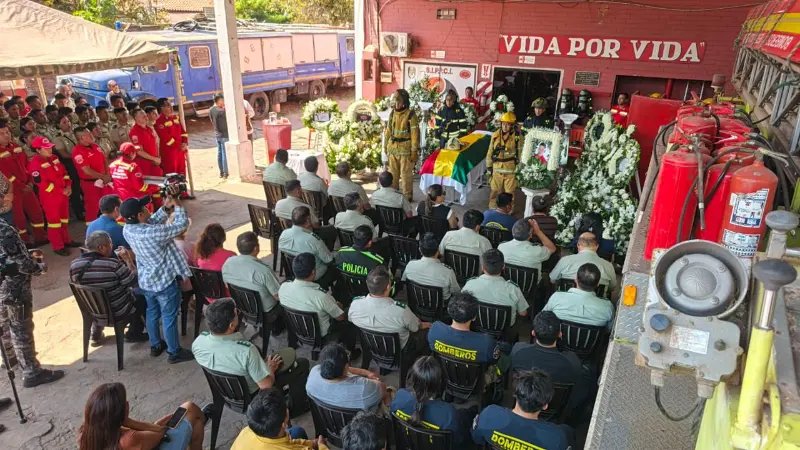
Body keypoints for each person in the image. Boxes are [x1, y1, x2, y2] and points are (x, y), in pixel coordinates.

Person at [121, 194, 194, 364]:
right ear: (139, 215)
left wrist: (166, 209)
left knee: (152, 312)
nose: (148, 209)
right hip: (164, 282)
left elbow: (150, 222)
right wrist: (178, 204)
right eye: (144, 208)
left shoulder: (128, 229)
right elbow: (180, 225)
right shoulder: (153, 233)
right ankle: (174, 352)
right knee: (169, 316)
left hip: (146, 280)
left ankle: (155, 345)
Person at [192, 298, 311, 400]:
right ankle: (297, 406)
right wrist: (270, 369)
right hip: (253, 394)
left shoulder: (198, 343)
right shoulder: (246, 351)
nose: (238, 314)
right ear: (231, 325)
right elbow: (266, 386)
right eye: (236, 312)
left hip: (226, 391)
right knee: (302, 364)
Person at [0, 206, 64, 387]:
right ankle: (31, 372)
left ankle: (10, 358)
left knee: (4, 323)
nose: (4, 200)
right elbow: (21, 264)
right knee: (20, 327)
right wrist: (39, 267)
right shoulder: (3, 229)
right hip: (15, 287)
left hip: (2, 285)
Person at [69, 231, 147, 345]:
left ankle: (96, 333)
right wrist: (128, 260)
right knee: (141, 296)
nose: (112, 247)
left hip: (92, 310)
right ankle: (134, 333)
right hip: (118, 312)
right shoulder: (113, 264)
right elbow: (133, 281)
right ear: (101, 247)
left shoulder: (74, 265)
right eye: (110, 244)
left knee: (96, 298)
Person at [78, 382, 207, 450]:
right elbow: (162, 433)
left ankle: (202, 418)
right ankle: (204, 416)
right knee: (190, 408)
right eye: (125, 403)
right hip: (152, 441)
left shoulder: (85, 433)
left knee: (197, 424)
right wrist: (130, 422)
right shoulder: (129, 439)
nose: (127, 403)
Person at [471, 370, 573, 450]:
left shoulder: (489, 415)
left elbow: (477, 439)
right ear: (545, 405)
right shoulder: (556, 438)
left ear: (515, 395)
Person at [511, 311, 590, 413]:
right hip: (554, 410)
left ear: (533, 333)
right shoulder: (572, 362)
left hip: (523, 404)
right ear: (560, 334)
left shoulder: (518, 350)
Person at [279, 253, 360, 353]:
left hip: (298, 330)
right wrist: (338, 306)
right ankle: (350, 352)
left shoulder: (283, 288)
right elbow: (340, 317)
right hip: (324, 336)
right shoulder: (321, 296)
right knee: (349, 317)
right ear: (313, 272)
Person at [348, 266, 430, 364]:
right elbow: (416, 327)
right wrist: (429, 325)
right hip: (399, 350)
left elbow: (351, 319)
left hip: (371, 346)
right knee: (427, 331)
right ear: (388, 287)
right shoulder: (401, 311)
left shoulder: (355, 305)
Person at [391, 356, 474, 445]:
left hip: (409, 444)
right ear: (439, 383)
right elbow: (458, 440)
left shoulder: (400, 396)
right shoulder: (448, 414)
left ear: (413, 379)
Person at [27, 136, 78, 256]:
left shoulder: (55, 158)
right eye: (46, 148)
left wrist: (68, 186)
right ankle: (58, 246)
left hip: (63, 194)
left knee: (64, 220)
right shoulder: (35, 163)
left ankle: (66, 240)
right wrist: (61, 190)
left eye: (49, 147)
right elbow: (41, 184)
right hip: (50, 198)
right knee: (54, 223)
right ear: (38, 150)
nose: (49, 150)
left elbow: (65, 173)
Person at [231, 388, 325, 450]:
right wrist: (321, 445)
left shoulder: (246, 432)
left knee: (297, 432)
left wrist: (311, 443)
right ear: (284, 424)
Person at [463, 249, 529, 338]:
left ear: (482, 267)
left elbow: (463, 306)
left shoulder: (470, 284)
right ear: (503, 267)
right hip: (504, 334)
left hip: (476, 330)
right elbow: (523, 313)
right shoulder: (513, 289)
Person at [0, 120, 46, 246]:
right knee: (18, 218)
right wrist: (22, 185)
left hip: (27, 186)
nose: (6, 135)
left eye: (7, 132)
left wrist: (30, 182)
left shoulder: (16, 147)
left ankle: (40, 237)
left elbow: (27, 165)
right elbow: (6, 175)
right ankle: (24, 242)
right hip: (13, 191)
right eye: (2, 133)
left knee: (36, 212)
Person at [306, 343, 386, 410]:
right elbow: (382, 388)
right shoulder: (364, 387)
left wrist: (365, 372)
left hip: (331, 423)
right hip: (361, 423)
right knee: (390, 393)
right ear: (346, 367)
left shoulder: (313, 374)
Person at [222, 231, 281, 315]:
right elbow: (278, 296)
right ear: (256, 248)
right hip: (266, 313)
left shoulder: (228, 262)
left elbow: (227, 285)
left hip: (242, 308)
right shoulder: (263, 270)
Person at [278, 206, 337, 289]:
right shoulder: (312, 239)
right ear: (308, 220)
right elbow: (329, 260)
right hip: (315, 275)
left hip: (296, 273)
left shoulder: (284, 234)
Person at [543, 263, 614, 328]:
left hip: (558, 341)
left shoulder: (556, 297)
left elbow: (543, 318)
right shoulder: (607, 307)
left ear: (575, 279)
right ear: (598, 284)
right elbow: (609, 330)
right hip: (591, 342)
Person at [550, 232, 617, 296]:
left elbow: (552, 279)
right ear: (597, 246)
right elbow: (612, 287)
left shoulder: (565, 260)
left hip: (564, 304)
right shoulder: (608, 265)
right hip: (595, 305)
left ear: (578, 245)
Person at [275, 181, 337, 250]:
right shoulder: (305, 207)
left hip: (288, 234)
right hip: (306, 236)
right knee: (331, 229)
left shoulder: (278, 203)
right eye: (300, 188)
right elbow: (316, 225)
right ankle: (326, 251)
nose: (302, 190)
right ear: (297, 191)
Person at [401, 232, 460, 303]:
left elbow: (404, 282)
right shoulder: (448, 272)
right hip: (440, 306)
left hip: (417, 301)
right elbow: (456, 292)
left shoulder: (410, 265)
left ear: (420, 250)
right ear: (438, 251)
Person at [383, 89, 419, 201]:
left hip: (406, 151)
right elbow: (388, 130)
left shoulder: (411, 115)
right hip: (393, 149)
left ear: (404, 102)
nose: (395, 103)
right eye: (394, 100)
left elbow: (414, 135)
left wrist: (414, 151)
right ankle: (393, 195)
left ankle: (407, 197)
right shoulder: (392, 113)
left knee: (406, 175)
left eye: (398, 100)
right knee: (393, 174)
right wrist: (385, 145)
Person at [72, 127, 112, 222]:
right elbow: (87, 170)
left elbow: (104, 160)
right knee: (92, 208)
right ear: (82, 138)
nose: (91, 135)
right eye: (88, 134)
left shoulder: (95, 146)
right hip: (90, 184)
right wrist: (103, 176)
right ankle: (91, 231)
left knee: (109, 204)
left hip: (104, 180)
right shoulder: (77, 151)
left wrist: (107, 174)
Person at [486, 111, 521, 208]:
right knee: (494, 191)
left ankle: (509, 210)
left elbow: (520, 153)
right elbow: (490, 151)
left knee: (509, 193)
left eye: (508, 124)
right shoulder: (495, 135)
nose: (505, 126)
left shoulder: (517, 137)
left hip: (510, 170)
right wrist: (489, 166)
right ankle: (492, 209)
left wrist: (520, 169)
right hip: (497, 169)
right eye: (503, 124)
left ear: (512, 126)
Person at [154, 98, 189, 177]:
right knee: (172, 173)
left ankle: (183, 189)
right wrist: (179, 146)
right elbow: (166, 138)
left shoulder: (175, 118)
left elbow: (183, 132)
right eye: (167, 105)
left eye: (170, 104)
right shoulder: (159, 122)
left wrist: (184, 143)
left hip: (180, 151)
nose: (170, 107)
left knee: (182, 172)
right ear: (161, 108)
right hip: (169, 153)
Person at [129, 109, 162, 177]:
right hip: (144, 164)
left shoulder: (149, 128)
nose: (145, 115)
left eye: (144, 113)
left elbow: (157, 143)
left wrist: (158, 157)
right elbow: (139, 151)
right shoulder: (134, 131)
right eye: (141, 114)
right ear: (136, 118)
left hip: (155, 162)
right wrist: (154, 158)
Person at [209, 94, 229, 178]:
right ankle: (225, 172)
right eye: (222, 100)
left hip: (217, 134)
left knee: (220, 153)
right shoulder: (221, 111)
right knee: (224, 153)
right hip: (224, 134)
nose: (224, 102)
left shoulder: (211, 110)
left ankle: (221, 172)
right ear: (219, 101)